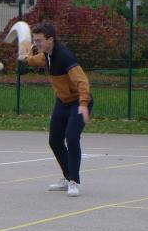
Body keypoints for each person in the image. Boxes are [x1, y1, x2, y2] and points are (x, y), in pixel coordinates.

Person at [19, 22, 93, 197]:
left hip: (78, 103)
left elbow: (82, 81)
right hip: (62, 102)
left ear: (50, 40)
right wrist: (26, 58)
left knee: (71, 137)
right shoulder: (47, 55)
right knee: (55, 141)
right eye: (34, 40)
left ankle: (74, 181)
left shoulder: (65, 57)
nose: (36, 44)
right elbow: (37, 60)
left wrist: (83, 104)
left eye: (39, 41)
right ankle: (67, 177)